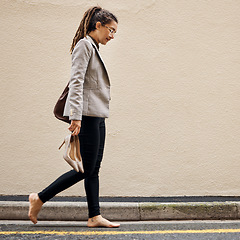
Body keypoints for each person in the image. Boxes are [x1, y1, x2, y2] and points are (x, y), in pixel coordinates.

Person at [28, 6, 120, 228]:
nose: (112, 35)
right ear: (97, 25)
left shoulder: (93, 47)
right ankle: (39, 198)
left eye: (115, 32)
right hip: (86, 116)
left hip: (97, 115)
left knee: (93, 169)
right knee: (85, 169)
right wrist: (76, 117)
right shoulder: (84, 45)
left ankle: (94, 216)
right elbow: (76, 81)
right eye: (111, 30)